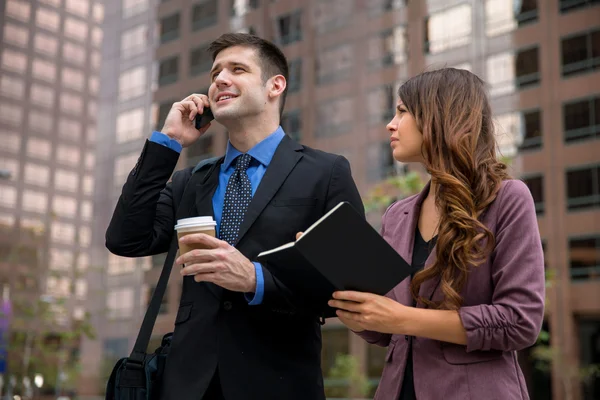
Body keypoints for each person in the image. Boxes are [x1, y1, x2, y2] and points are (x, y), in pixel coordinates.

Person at [105, 33, 364, 400]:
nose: (219, 80)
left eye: (237, 69)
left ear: (275, 85)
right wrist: (168, 142)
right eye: (215, 74)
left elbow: (350, 285)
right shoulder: (190, 182)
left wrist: (256, 280)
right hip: (186, 387)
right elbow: (125, 239)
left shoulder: (326, 173)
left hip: (279, 384)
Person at [327, 68, 545, 399]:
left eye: (402, 111)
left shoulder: (508, 198)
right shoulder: (396, 215)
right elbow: (387, 331)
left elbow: (519, 321)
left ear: (439, 117)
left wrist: (403, 319)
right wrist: (357, 312)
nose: (391, 124)